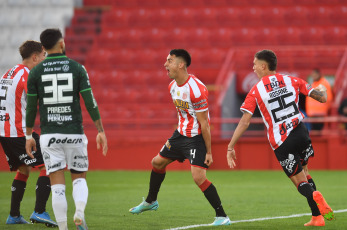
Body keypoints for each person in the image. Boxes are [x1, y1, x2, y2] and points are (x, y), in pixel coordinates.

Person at [226, 50, 335, 227]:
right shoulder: (292, 80)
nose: (253, 68)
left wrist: (231, 146)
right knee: (306, 174)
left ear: (263, 65)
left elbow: (245, 122)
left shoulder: (255, 91)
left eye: (255, 64)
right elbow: (322, 98)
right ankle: (317, 217)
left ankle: (314, 196)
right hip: (301, 131)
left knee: (298, 181)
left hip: (282, 140)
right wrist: (322, 88)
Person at [129, 49, 231, 226]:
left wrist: (209, 152)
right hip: (180, 134)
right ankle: (151, 201)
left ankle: (222, 216)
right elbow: (183, 114)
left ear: (181, 64)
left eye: (169, 60)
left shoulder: (197, 90)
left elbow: (204, 124)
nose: (165, 64)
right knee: (157, 163)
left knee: (198, 176)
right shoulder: (172, 86)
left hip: (196, 137)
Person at [25, 28, 108, 230]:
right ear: (62, 44)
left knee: (57, 185)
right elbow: (90, 102)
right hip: (74, 133)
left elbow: (30, 107)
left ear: (43, 48)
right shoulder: (77, 68)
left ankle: (63, 227)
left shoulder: (35, 72)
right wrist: (100, 130)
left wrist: (28, 135)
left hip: (49, 135)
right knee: (79, 179)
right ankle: (79, 212)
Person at [0, 40, 57, 227]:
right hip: (18, 133)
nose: (44, 59)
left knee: (23, 169)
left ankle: (14, 216)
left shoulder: (8, 72)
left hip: (5, 132)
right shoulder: (27, 75)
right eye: (43, 56)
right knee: (50, 164)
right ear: (34, 57)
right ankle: (39, 211)